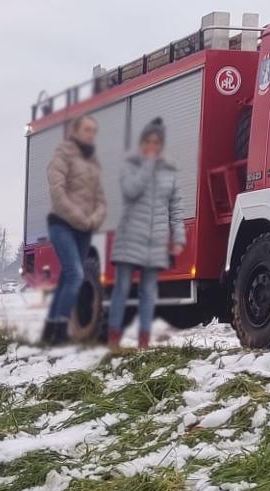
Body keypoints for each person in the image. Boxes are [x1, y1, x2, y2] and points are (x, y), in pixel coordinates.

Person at [109, 118, 183, 351]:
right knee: (122, 288)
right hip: (131, 237)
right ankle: (113, 340)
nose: (153, 145)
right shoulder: (130, 166)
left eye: (156, 142)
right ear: (142, 143)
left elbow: (175, 207)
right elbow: (131, 191)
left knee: (149, 292)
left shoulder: (169, 173)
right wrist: (148, 166)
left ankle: (143, 342)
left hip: (156, 241)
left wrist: (178, 238)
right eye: (148, 141)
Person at [44, 115, 106, 345]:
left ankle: (50, 328)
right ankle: (60, 331)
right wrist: (79, 217)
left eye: (94, 131)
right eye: (87, 130)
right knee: (76, 275)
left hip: (83, 229)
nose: (92, 135)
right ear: (76, 132)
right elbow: (57, 191)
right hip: (62, 225)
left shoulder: (92, 163)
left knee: (67, 278)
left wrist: (93, 219)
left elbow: (100, 199)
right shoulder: (62, 156)